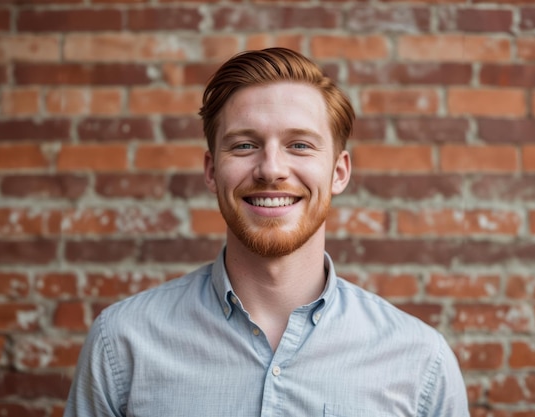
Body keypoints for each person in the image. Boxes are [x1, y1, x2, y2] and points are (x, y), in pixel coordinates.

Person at [64, 47, 470, 417]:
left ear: (339, 172)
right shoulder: (122, 343)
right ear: (211, 171)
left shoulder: (419, 362)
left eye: (300, 145)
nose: (271, 168)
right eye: (244, 146)